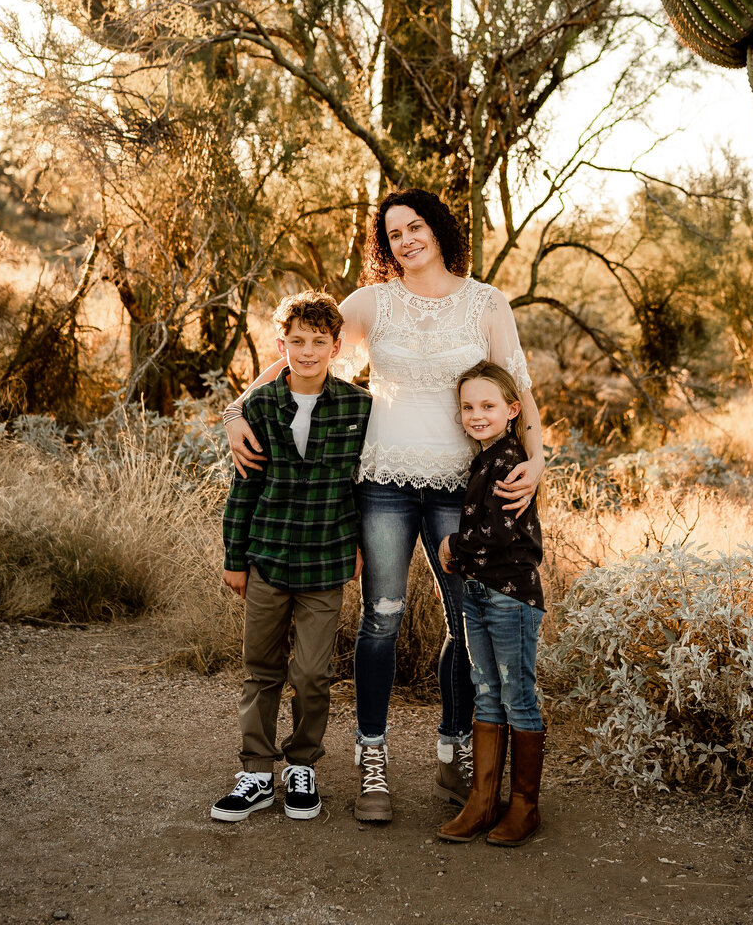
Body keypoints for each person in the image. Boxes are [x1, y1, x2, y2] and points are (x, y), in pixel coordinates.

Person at [223, 190, 544, 824]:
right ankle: (374, 761)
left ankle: (455, 750)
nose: (406, 241)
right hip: (384, 482)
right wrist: (235, 410)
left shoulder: (487, 303)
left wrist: (537, 462)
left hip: (463, 485)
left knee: (464, 625)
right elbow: (298, 354)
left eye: (415, 227)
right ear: (384, 243)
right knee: (382, 619)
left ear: (438, 230)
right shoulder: (373, 302)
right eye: (393, 233)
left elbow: (520, 391)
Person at [210, 290, 369, 826]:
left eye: (318, 342)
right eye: (296, 342)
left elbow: (363, 492)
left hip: (325, 563)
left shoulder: (357, 407)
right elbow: (243, 491)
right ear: (280, 345)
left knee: (313, 674)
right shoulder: (257, 406)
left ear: (336, 345)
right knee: (261, 670)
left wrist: (359, 549)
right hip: (267, 559)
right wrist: (236, 558)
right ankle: (256, 771)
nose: (307, 352)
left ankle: (302, 765)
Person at [436, 362, 546, 847]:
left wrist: (452, 547)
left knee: (516, 695)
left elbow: (499, 534)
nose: (477, 415)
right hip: (479, 592)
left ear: (512, 410)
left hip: (510, 596)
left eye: (488, 406)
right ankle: (482, 801)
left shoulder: (508, 462)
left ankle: (524, 806)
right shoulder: (483, 460)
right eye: (468, 407)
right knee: (485, 692)